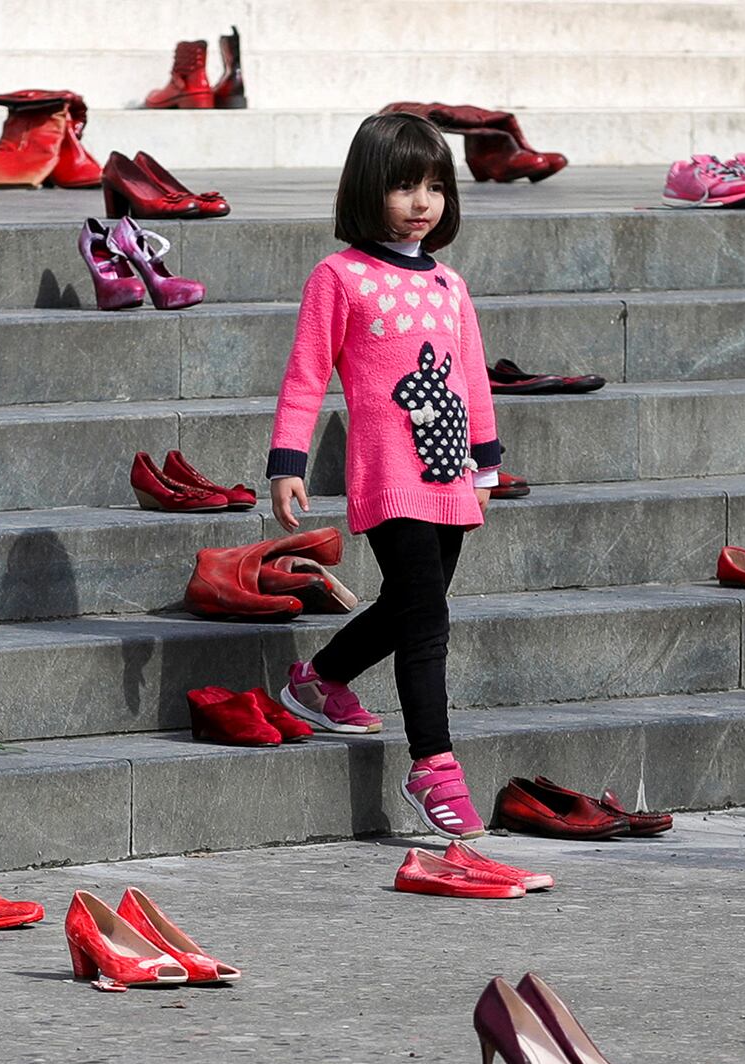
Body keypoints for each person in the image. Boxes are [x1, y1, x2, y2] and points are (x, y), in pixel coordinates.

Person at [267, 111, 501, 839]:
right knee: (428, 619)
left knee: (408, 607)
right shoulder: (339, 278)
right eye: (404, 186)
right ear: (369, 189)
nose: (422, 202)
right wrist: (287, 461)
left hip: (448, 473)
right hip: (388, 476)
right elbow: (306, 375)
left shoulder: (449, 286)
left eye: (435, 186)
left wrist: (487, 460)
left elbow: (472, 378)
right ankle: (433, 765)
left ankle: (318, 680)